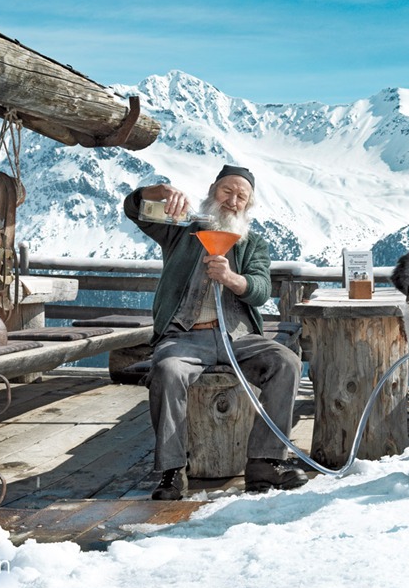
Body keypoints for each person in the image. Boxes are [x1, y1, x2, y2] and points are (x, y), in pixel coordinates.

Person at [123, 164, 308, 500]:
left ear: (248, 206)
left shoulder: (253, 244)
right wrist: (161, 191)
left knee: (287, 363)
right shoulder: (182, 231)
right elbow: (133, 208)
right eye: (227, 191)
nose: (233, 200)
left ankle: (265, 463)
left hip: (237, 338)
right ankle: (172, 471)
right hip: (183, 336)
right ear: (212, 190)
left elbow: (261, 290)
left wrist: (232, 279)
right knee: (166, 370)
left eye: (242, 196)